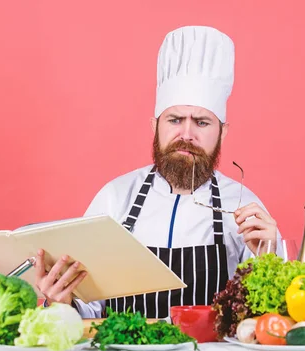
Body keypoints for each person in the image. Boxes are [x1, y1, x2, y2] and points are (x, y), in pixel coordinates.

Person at [35, 25, 284, 319]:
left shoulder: (243, 206)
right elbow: (88, 305)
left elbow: (267, 319)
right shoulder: (115, 198)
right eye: (175, 120)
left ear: (222, 132)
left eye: (202, 122)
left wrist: (270, 256)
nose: (187, 134)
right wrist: (61, 301)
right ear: (156, 126)